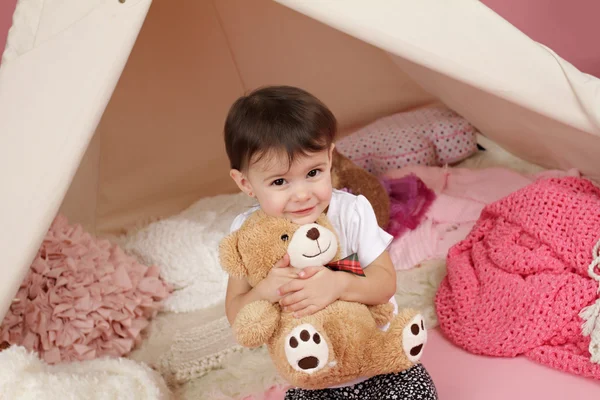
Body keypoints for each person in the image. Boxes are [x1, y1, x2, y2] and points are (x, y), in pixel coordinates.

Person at [223, 85, 437, 400]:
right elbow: (235, 312)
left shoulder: (351, 211)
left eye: (313, 172)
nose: (302, 194)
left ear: (330, 158)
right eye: (280, 182)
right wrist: (266, 290)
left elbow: (385, 282)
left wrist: (338, 285)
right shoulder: (247, 233)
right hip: (316, 379)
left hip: (377, 361)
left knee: (417, 391)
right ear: (246, 183)